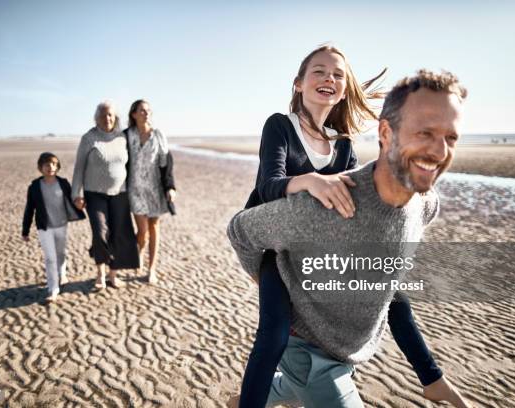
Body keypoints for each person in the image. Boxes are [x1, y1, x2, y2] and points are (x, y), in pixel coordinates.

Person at [229, 45, 469, 408]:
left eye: (338, 75)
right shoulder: (280, 125)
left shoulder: (342, 143)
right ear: (298, 84)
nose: (329, 78)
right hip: (274, 245)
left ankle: (431, 378)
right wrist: (310, 180)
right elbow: (267, 186)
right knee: (274, 334)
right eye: (319, 71)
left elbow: (352, 193)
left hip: (317, 245)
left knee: (394, 297)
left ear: (344, 89)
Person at [71, 101, 139, 289]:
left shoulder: (122, 137)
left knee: (118, 233)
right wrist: (76, 194)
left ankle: (112, 274)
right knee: (100, 233)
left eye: (110, 115)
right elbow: (79, 168)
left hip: (120, 193)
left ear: (115, 117)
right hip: (94, 194)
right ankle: (100, 272)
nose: (107, 118)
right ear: (96, 117)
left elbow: (131, 165)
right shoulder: (89, 138)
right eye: (103, 115)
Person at [22, 152, 85, 303]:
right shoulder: (35, 187)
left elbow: (72, 199)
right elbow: (29, 209)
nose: (50, 167)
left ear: (57, 167)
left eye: (54, 164)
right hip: (44, 227)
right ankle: (53, 288)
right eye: (46, 164)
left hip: (61, 225)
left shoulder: (63, 183)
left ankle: (62, 273)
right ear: (40, 168)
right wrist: (25, 230)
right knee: (50, 258)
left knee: (60, 252)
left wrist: (80, 204)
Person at [125, 99, 176, 284]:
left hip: (155, 188)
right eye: (141, 110)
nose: (145, 113)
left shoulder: (158, 135)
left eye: (148, 110)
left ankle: (151, 268)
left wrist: (170, 187)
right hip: (135, 188)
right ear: (134, 114)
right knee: (142, 230)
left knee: (154, 227)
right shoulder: (127, 135)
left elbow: (167, 162)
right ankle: (139, 250)